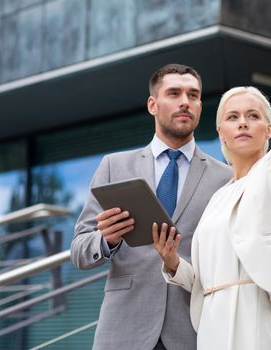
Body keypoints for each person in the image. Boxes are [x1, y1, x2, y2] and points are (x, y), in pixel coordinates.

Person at [152, 40, 271, 349]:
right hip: (211, 324)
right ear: (221, 132)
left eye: (253, 116)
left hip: (253, 316)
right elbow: (201, 281)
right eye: (233, 117)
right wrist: (172, 262)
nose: (242, 122)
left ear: (268, 130)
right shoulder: (216, 198)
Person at [70, 64, 232, 350]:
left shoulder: (225, 178)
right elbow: (80, 252)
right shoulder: (114, 166)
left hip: (192, 332)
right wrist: (107, 240)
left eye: (193, 95)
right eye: (174, 93)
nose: (185, 101)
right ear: (152, 105)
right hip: (124, 330)